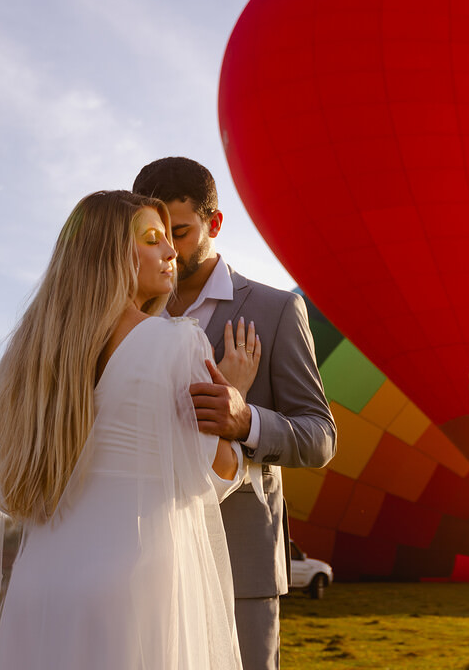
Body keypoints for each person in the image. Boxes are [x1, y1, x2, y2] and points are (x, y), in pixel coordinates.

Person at [0, 190, 261, 670]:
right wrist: (232, 401)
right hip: (135, 579)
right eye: (153, 239)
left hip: (41, 580)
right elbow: (207, 480)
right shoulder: (176, 343)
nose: (171, 252)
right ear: (110, 252)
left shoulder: (27, 363)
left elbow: (12, 488)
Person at [134, 157, 336, 670]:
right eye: (154, 235)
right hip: (139, 557)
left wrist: (245, 420)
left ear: (215, 223)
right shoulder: (124, 314)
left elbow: (320, 438)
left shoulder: (273, 311)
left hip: (238, 564)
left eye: (180, 232)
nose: (169, 250)